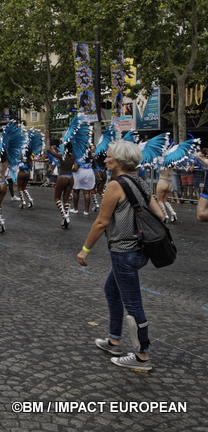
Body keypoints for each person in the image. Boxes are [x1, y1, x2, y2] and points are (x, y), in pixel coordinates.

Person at [77, 140, 164, 371]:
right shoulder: (141, 182)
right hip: (139, 250)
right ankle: (114, 340)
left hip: (122, 252)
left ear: (120, 161)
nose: (105, 160)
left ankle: (142, 355)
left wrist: (85, 250)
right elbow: (160, 214)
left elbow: (101, 222)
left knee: (133, 303)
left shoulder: (115, 186)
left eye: (109, 157)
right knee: (111, 290)